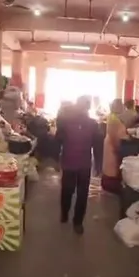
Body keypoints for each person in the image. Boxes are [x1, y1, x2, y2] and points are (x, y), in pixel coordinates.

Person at [56, 97, 98, 235]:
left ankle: (68, 217)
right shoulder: (91, 124)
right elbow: (97, 145)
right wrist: (98, 165)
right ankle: (76, 221)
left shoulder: (66, 122)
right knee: (79, 193)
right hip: (81, 164)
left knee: (70, 191)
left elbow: (58, 141)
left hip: (73, 163)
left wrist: (56, 159)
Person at [100, 99, 127, 194]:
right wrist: (117, 148)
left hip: (111, 143)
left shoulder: (114, 117)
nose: (123, 107)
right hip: (112, 145)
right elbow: (113, 135)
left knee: (111, 165)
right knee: (111, 166)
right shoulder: (113, 118)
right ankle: (110, 184)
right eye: (121, 105)